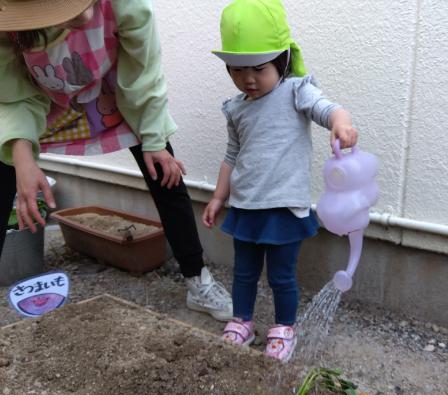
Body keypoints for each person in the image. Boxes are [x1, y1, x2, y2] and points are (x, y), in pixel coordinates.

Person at [0, 0, 233, 321]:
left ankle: (197, 278)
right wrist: (22, 157)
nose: (79, 16)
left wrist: (153, 139)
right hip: (39, 100)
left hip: (115, 91)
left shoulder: (126, 5)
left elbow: (142, 73)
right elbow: (12, 96)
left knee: (163, 168)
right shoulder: (8, 20)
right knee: (4, 162)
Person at [203, 0, 358, 362]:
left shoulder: (296, 91)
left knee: (281, 275)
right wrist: (218, 197)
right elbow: (231, 155)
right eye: (237, 70)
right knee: (243, 272)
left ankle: (284, 328)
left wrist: (342, 123)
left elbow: (327, 108)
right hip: (245, 205)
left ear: (282, 60)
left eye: (259, 68)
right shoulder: (236, 107)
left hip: (285, 207)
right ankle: (242, 321)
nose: (249, 79)